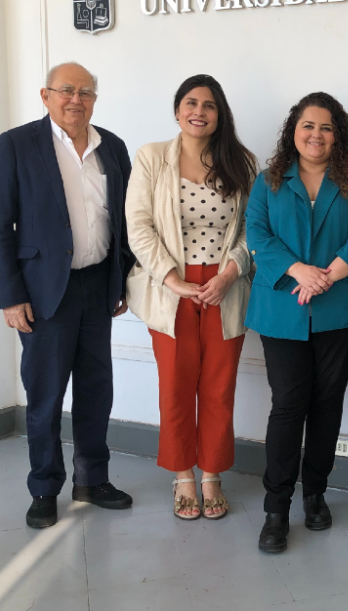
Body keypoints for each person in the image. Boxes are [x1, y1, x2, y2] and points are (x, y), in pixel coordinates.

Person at [0, 62, 135, 529]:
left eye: (86, 92)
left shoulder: (111, 146)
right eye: (66, 90)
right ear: (45, 95)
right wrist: (11, 296)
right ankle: (44, 487)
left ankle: (92, 479)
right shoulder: (16, 145)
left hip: (98, 287)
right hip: (43, 293)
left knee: (97, 391)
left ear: (95, 99)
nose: (77, 99)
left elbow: (126, 220)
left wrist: (122, 279)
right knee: (46, 397)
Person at [247, 92, 348, 554]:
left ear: (337, 134)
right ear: (294, 131)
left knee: (327, 403)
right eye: (308, 125)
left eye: (326, 127)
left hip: (339, 308)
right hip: (281, 308)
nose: (316, 135)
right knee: (287, 405)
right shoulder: (268, 181)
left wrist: (327, 275)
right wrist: (298, 270)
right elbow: (256, 234)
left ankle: (315, 493)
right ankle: (276, 507)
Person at [125, 74, 257, 521]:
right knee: (176, 386)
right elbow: (138, 225)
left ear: (221, 114)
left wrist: (230, 272)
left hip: (225, 286)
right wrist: (171, 278)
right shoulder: (150, 158)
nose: (199, 111)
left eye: (209, 105)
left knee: (219, 386)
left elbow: (250, 231)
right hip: (171, 289)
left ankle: (212, 475)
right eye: (191, 102)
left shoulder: (241, 162)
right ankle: (183, 475)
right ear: (177, 109)